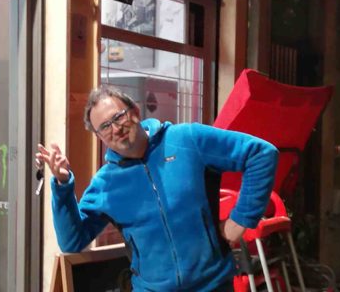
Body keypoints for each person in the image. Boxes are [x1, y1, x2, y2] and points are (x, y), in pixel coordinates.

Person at [37, 85, 278, 292]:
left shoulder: (187, 139)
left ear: (135, 111)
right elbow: (72, 242)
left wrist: (241, 219)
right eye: (105, 127)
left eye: (118, 117)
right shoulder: (105, 184)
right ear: (100, 136)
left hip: (214, 285)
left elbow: (261, 154)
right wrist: (63, 185)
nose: (115, 129)